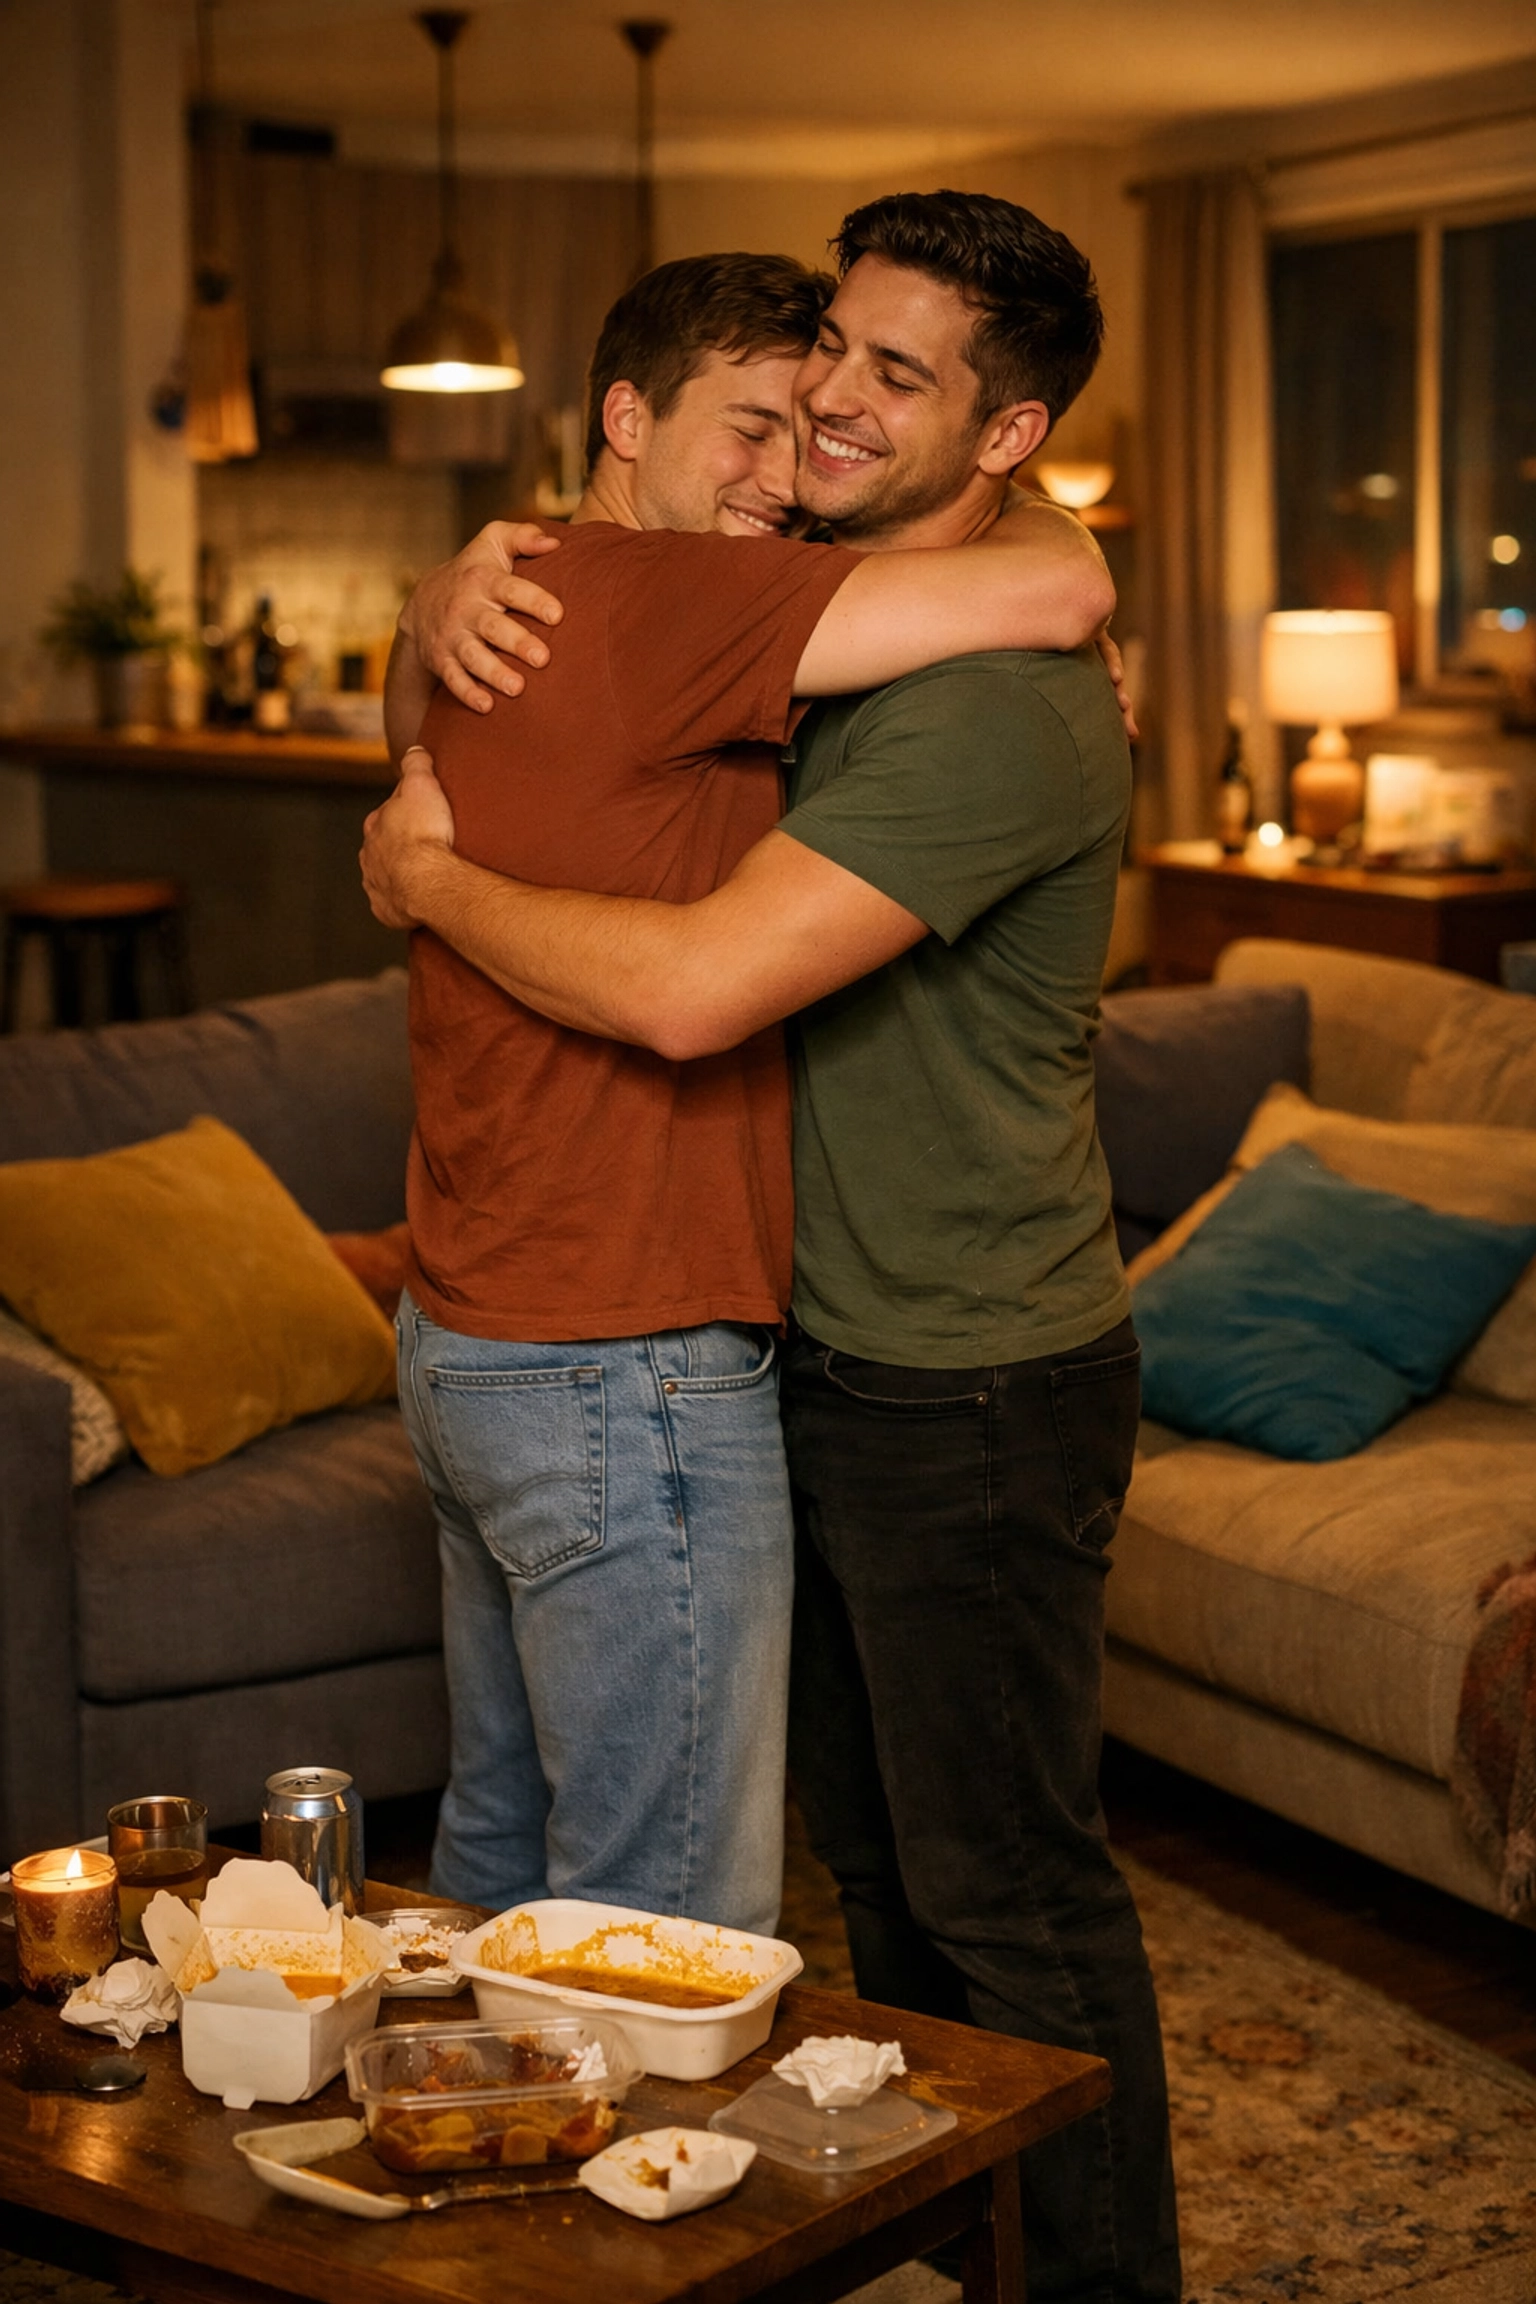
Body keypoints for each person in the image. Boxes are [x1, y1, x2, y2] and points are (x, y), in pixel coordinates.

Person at [365, 191, 1179, 2303]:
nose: (828, 401)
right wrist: (447, 596)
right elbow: (567, 622)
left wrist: (429, 881)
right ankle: (943, 2247)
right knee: (879, 1891)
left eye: (895, 374)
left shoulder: (991, 697)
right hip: (800, 1343)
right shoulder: (788, 601)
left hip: (966, 1368)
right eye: (826, 356)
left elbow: (698, 990)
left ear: (1007, 437)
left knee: (1000, 1899)